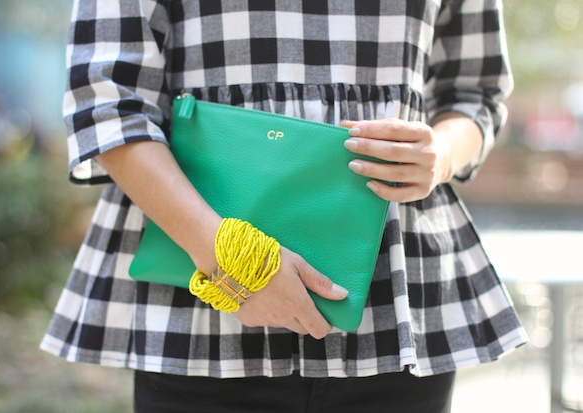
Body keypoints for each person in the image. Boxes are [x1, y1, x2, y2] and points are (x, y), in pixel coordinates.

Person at [41, 1, 528, 412]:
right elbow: (108, 103)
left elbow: (474, 93)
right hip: (202, 318)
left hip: (393, 308)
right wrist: (233, 257)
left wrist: (438, 156)